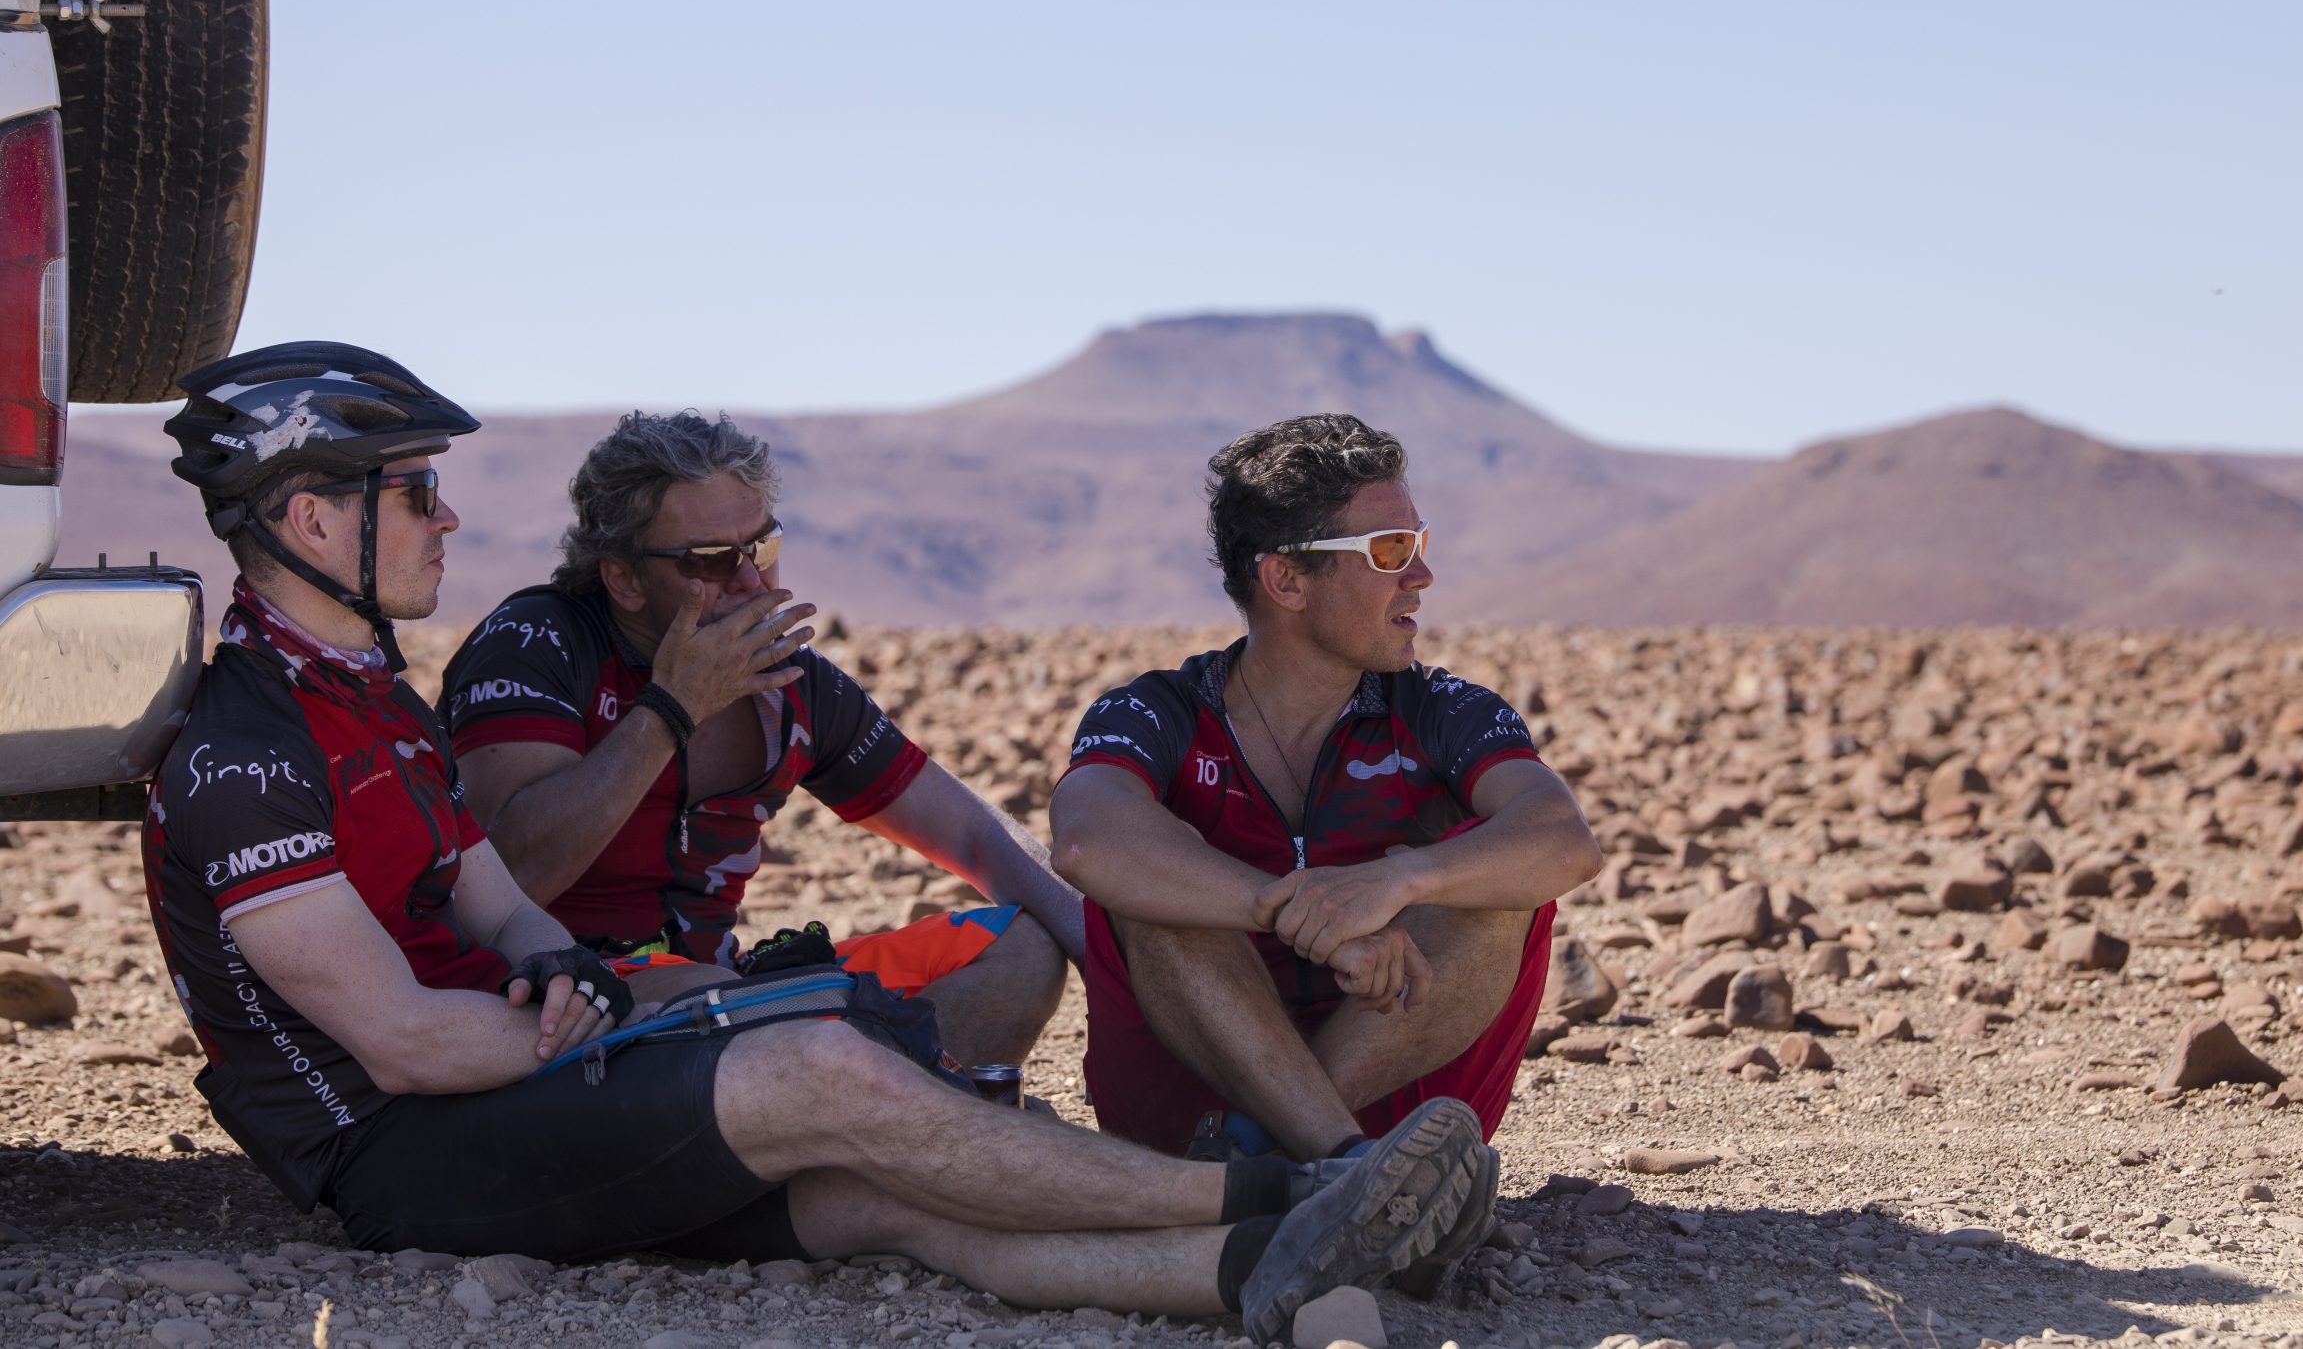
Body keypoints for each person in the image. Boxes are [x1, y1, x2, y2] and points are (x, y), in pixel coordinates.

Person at [142, 343, 1497, 1333]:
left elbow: (503, 908)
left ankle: (1278, 1267)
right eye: (414, 491)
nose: (448, 519)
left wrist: (614, 982)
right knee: (817, 1074)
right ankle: (1291, 1191)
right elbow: (408, 1040)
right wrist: (649, 1004)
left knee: (875, 1196)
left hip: (536, 1054)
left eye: (760, 547)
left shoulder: (364, 699)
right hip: (397, 1142)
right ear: (314, 519)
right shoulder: (251, 745)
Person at [1049, 414, 1603, 1228]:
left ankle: (1288, 1161)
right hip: (1199, 1131)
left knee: (1492, 884)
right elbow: (1088, 837)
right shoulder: (1157, 711)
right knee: (1159, 889)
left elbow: (1562, 838)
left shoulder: (1441, 709)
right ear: (1286, 580)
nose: (1422, 576)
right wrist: (1303, 911)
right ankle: (1345, 1172)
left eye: (1420, 543)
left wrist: (1396, 881)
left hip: (1369, 1133)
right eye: (1389, 552)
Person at [435, 411, 1077, 1065]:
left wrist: (1106, 950)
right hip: (569, 997)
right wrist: (670, 710)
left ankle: (893, 1131)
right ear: (623, 578)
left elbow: (974, 834)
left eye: (762, 547)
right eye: (710, 561)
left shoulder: (789, 682)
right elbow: (507, 879)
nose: (751, 582)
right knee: (723, 1000)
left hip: (731, 993)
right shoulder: (538, 644)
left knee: (1021, 951)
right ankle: (892, 1127)